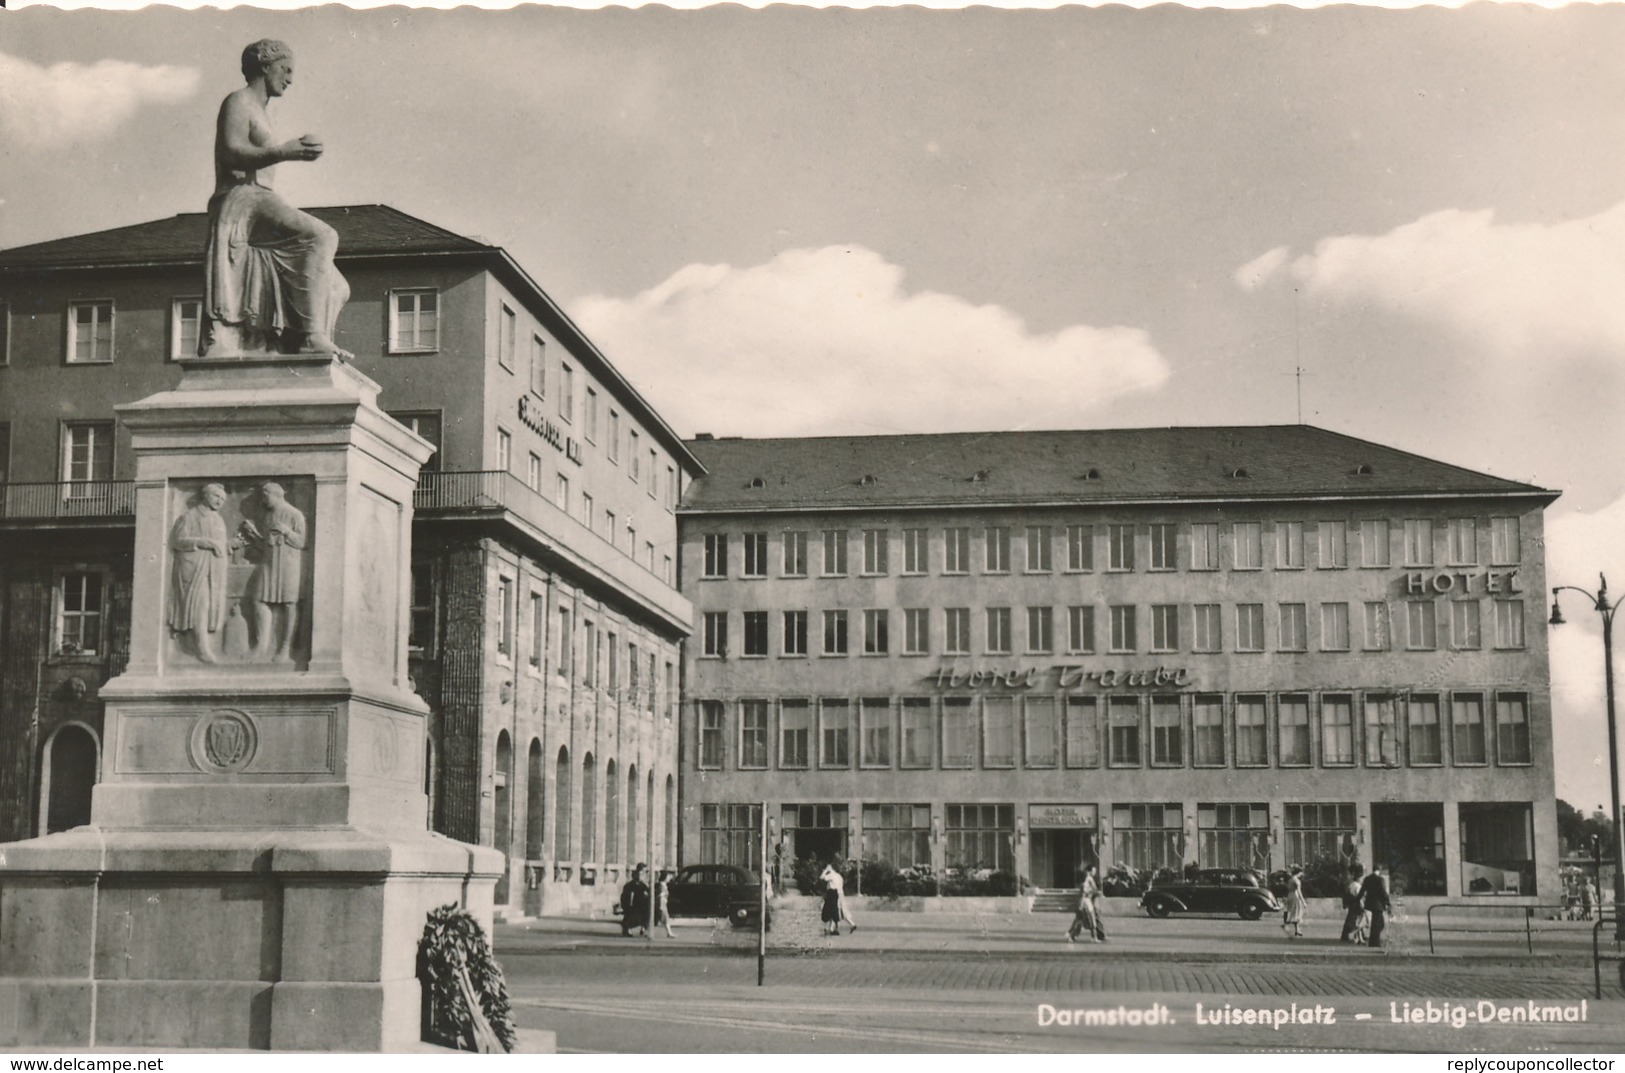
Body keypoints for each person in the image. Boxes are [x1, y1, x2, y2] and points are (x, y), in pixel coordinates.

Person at [204, 39, 351, 359]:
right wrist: (284, 151)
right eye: (286, 69)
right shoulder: (238, 101)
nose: (290, 78)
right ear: (264, 66)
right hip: (242, 202)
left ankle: (299, 342)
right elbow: (230, 152)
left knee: (338, 286)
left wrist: (287, 152)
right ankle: (312, 337)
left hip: (262, 200)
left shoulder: (263, 112)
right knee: (321, 235)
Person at [239, 482, 307, 661]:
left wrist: (286, 531)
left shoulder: (294, 514)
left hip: (289, 566)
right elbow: (266, 545)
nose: (263, 500)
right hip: (270, 565)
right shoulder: (268, 516)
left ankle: (285, 648)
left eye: (265, 495)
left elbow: (301, 543)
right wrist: (254, 535)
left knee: (289, 603)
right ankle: (261, 645)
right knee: (258, 600)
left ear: (277, 494)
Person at [168, 483, 235, 662]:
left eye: (222, 499)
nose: (219, 501)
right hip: (194, 570)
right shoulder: (189, 516)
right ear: (205, 496)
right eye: (216, 497)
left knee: (210, 605)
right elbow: (178, 541)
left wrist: (230, 546)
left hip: (214, 570)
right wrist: (203, 542)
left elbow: (219, 545)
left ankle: (201, 645)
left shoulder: (218, 520)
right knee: (201, 605)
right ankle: (202, 648)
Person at [1358, 866, 1392, 948]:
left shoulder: (1367, 879)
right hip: (1378, 904)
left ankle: (1373, 941)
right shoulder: (1380, 879)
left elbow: (1362, 891)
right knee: (1379, 924)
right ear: (1379, 870)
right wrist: (1388, 903)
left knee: (1376, 923)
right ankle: (1374, 942)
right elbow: (1383, 892)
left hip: (1370, 903)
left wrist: (1357, 900)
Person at [1066, 865, 1100, 944]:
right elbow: (1085, 892)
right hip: (1086, 902)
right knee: (1090, 919)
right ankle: (1093, 937)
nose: (1094, 872)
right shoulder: (1088, 879)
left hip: (1085, 901)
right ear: (1089, 871)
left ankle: (1072, 936)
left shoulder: (1087, 879)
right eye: (1093, 871)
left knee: (1080, 920)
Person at [619, 864, 651, 937]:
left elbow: (647, 891)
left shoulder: (642, 884)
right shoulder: (632, 885)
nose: (643, 875)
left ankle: (642, 929)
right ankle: (627, 929)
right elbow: (628, 896)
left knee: (645, 915)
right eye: (641, 873)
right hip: (634, 904)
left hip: (641, 904)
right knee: (631, 916)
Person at [1340, 863, 1367, 942]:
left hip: (1354, 906)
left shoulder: (1353, 885)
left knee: (1353, 920)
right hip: (1356, 906)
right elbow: (1359, 896)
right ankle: (1351, 935)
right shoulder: (1356, 886)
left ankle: (1357, 935)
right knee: (1356, 921)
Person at [1281, 865, 1307, 939]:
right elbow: (1299, 892)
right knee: (1296, 912)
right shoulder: (1296, 881)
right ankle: (1286, 924)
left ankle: (1297, 930)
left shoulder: (1290, 880)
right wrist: (1303, 901)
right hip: (1295, 897)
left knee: (1293, 912)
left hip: (1290, 895)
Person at [653, 869, 674, 938]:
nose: (669, 878)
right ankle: (669, 933)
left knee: (656, 919)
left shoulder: (663, 885)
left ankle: (645, 930)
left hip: (662, 904)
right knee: (665, 919)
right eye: (668, 876)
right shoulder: (661, 885)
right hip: (661, 904)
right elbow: (660, 895)